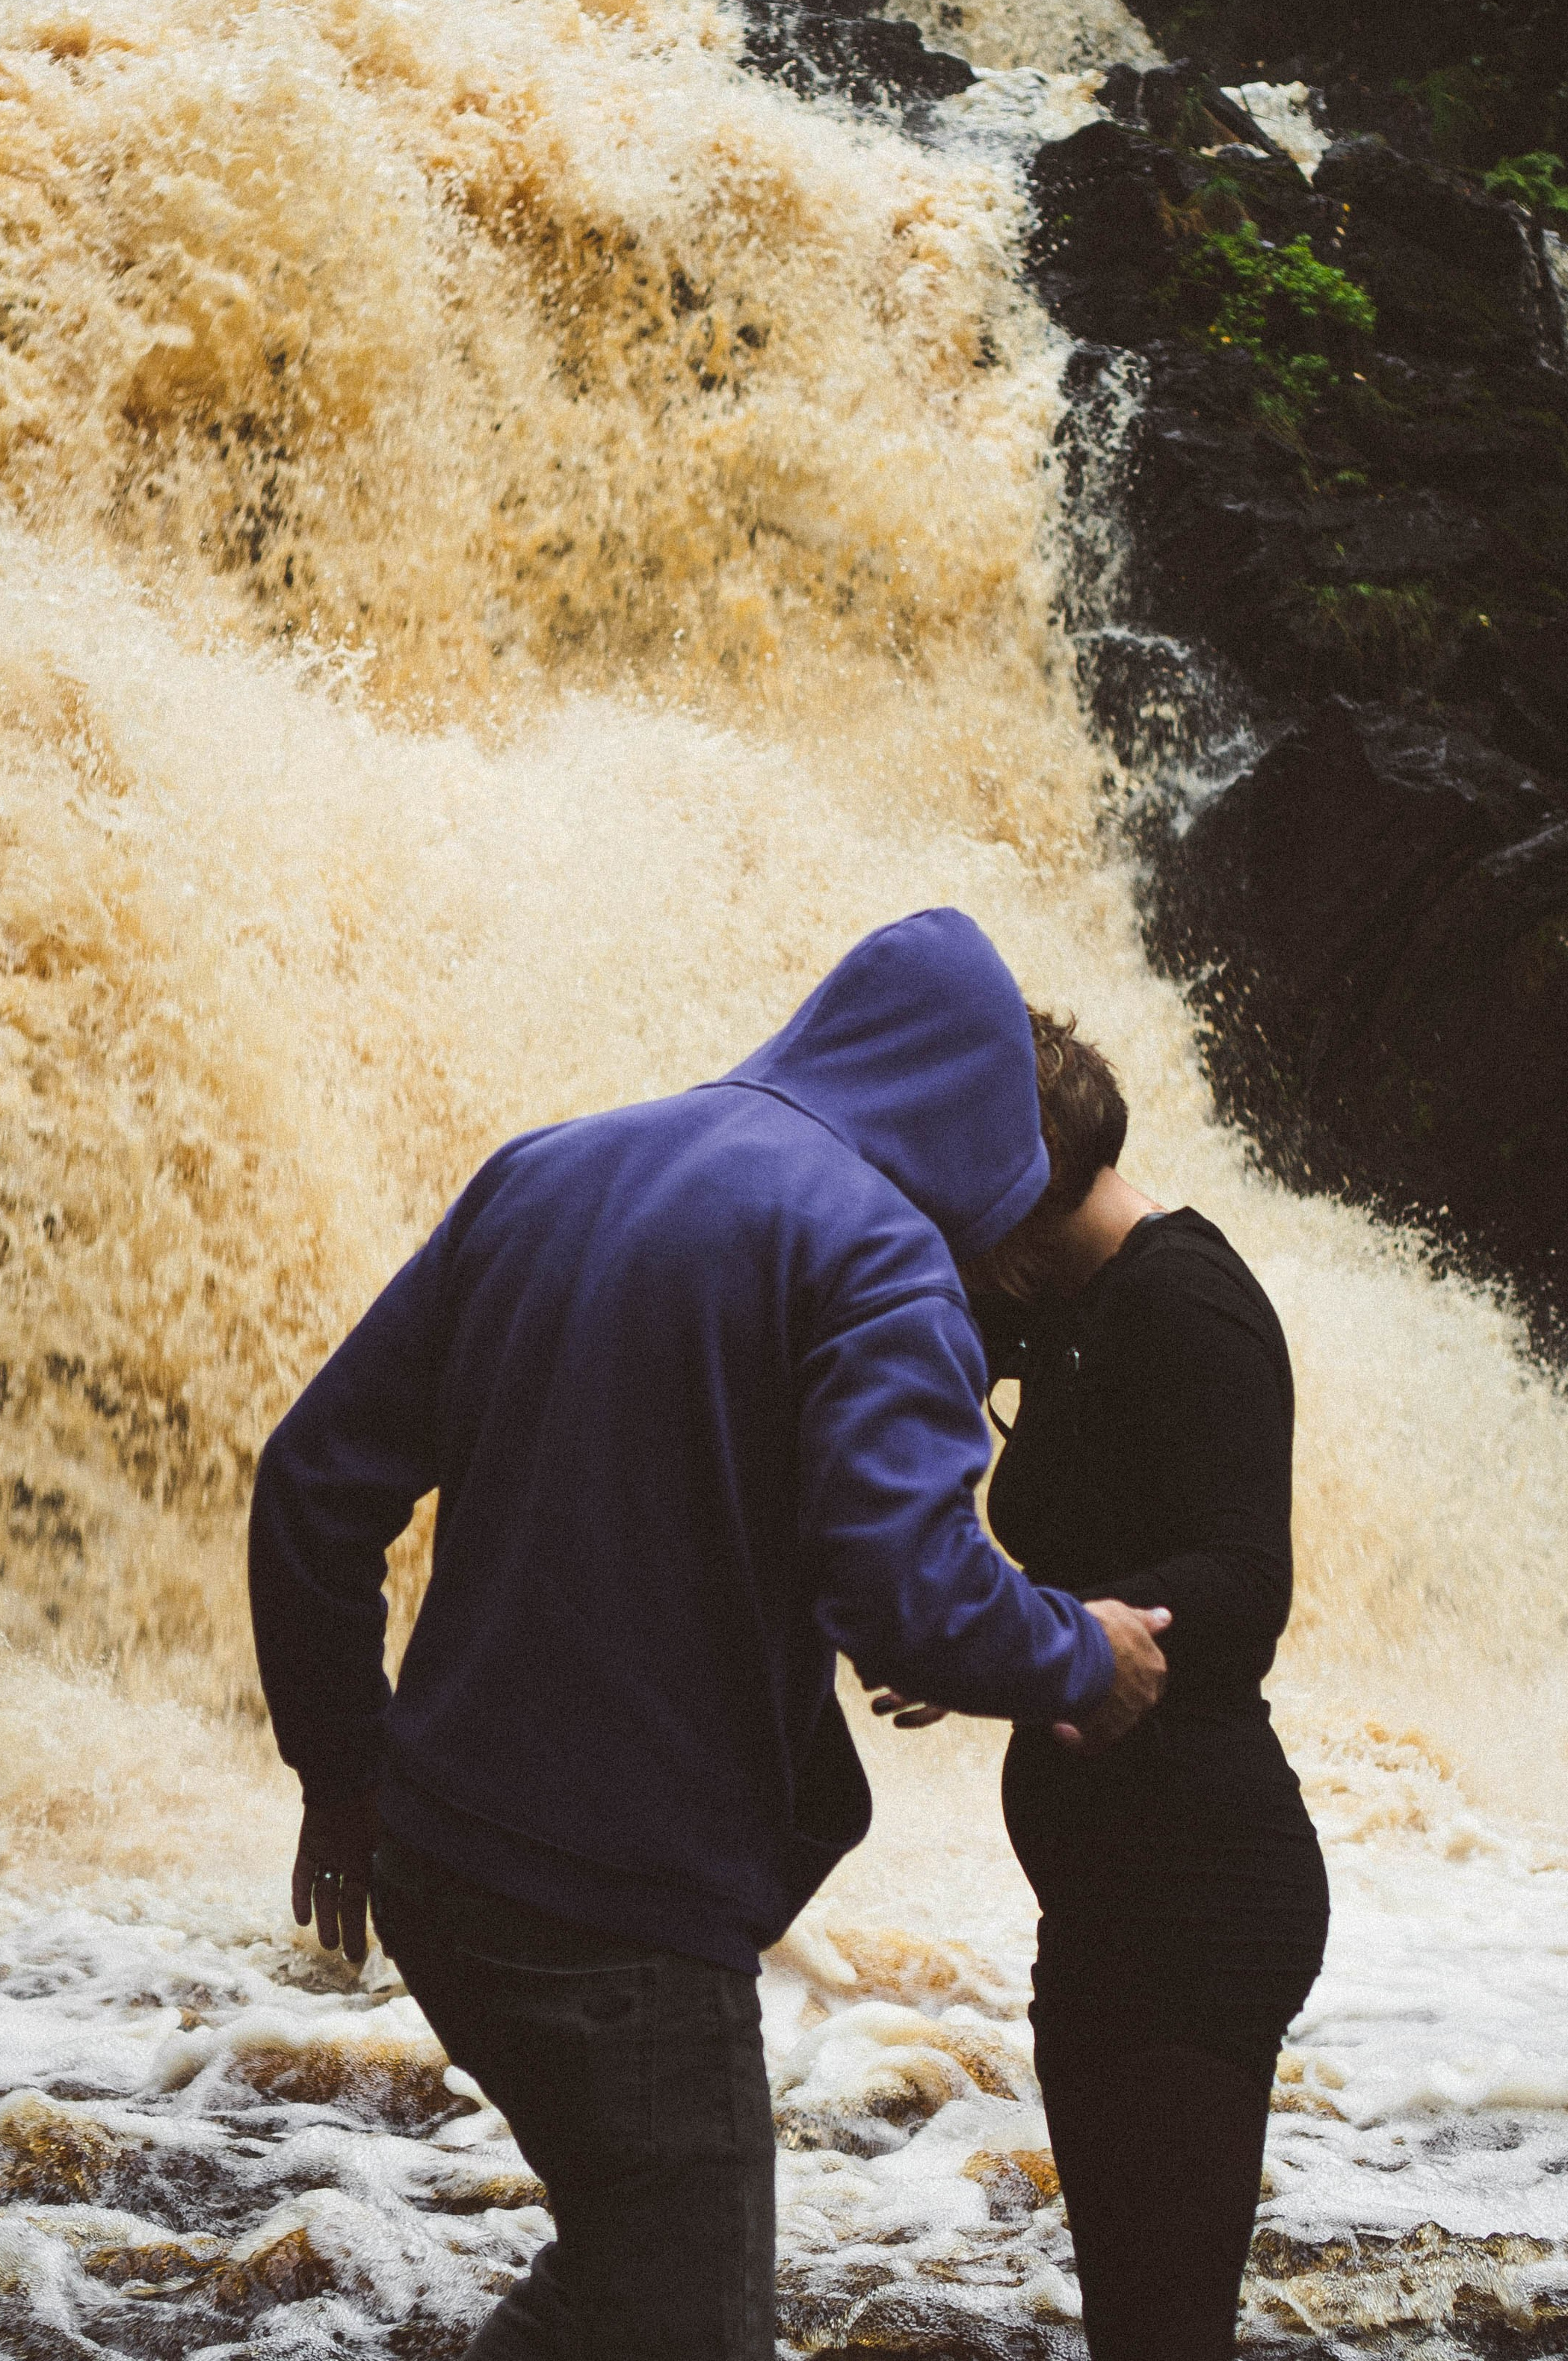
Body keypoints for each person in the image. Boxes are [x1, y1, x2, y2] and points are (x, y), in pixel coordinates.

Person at [247, 910, 1172, 2361]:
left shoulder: (547, 1168)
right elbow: (911, 1598)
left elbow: (310, 1483)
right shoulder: (881, 1262)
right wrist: (1080, 1653)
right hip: (613, 1914)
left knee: (627, 2286)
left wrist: (339, 1773)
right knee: (684, 2322)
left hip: (437, 1864)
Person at [880, 1008, 1328, 2360]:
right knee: (1135, 2328)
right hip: (1111, 1903)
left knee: (1162, 2335)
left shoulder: (1182, 1305)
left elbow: (1249, 1587)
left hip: (1199, 1905)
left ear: (1027, 1177)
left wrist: (1037, 1629)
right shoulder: (1064, 1308)